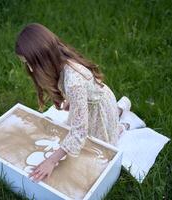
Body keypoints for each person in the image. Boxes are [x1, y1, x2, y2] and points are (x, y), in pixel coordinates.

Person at [14, 23, 145, 183]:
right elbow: (79, 91)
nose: (30, 69)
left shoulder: (73, 82)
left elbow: (79, 132)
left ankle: (125, 123)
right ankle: (121, 107)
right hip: (95, 101)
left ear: (42, 59)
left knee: (103, 144)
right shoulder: (60, 60)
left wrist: (51, 160)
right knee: (76, 135)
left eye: (29, 63)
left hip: (100, 108)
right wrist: (74, 102)